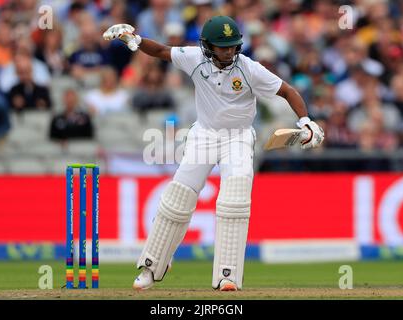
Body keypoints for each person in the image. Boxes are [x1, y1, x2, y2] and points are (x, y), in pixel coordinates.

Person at [103, 16, 324, 291]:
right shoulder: (194, 57)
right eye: (222, 47)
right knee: (178, 199)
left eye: (232, 46)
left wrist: (306, 122)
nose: (228, 51)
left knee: (234, 200)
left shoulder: (249, 69)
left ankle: (227, 275)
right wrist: (134, 40)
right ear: (207, 46)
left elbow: (288, 91)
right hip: (204, 136)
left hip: (239, 137)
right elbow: (160, 50)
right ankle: (152, 265)